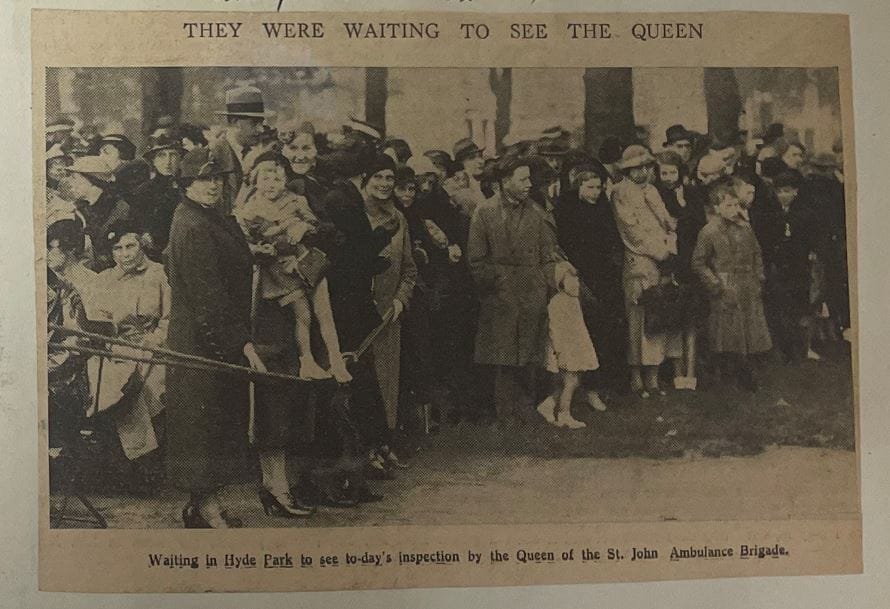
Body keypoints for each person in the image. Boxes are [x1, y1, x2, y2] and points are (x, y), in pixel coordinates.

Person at [164, 147, 267, 528]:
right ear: (185, 185)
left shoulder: (212, 218)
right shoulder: (191, 225)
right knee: (201, 425)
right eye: (201, 180)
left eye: (216, 179)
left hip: (215, 336)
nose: (211, 186)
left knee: (218, 421)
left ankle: (204, 504)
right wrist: (241, 343)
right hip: (200, 341)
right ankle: (203, 507)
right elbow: (208, 294)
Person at [235, 151, 351, 382]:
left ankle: (336, 359)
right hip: (280, 269)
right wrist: (264, 245)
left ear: (285, 181)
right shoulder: (247, 210)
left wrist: (303, 227)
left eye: (277, 180)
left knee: (324, 312)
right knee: (303, 315)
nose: (271, 185)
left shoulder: (296, 200)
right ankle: (306, 360)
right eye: (265, 179)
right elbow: (245, 240)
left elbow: (314, 223)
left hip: (306, 259)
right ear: (255, 181)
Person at [467, 156, 560, 421]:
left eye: (529, 179)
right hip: (500, 295)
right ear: (505, 182)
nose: (529, 184)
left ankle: (526, 409)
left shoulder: (537, 213)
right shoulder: (484, 212)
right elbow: (476, 260)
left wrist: (544, 286)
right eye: (523, 179)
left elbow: (547, 254)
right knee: (503, 355)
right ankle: (504, 412)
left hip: (532, 290)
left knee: (530, 353)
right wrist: (497, 284)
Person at [91, 222, 170, 487]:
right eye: (117, 248)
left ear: (142, 245)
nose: (124, 254)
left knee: (142, 387)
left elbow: (170, 319)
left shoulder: (160, 274)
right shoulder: (104, 280)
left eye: (130, 246)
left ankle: (143, 461)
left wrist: (155, 340)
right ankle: (133, 461)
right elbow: (97, 321)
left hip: (154, 348)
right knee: (109, 383)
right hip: (114, 349)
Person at [611, 145, 681, 398]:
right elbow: (631, 231)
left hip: (661, 259)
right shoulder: (620, 192)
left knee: (658, 313)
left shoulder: (652, 190)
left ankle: (653, 374)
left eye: (646, 166)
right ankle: (636, 374)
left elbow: (667, 221)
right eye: (637, 168)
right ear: (627, 170)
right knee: (638, 315)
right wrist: (659, 252)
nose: (643, 171)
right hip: (638, 260)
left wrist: (670, 246)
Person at [361, 155, 417, 464]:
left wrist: (400, 300)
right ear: (365, 180)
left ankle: (384, 445)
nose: (384, 184)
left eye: (389, 179)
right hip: (359, 314)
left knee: (386, 382)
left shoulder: (399, 218)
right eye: (378, 177)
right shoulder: (355, 214)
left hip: (388, 314)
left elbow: (409, 269)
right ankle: (365, 450)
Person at [553, 161, 625, 399]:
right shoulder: (566, 207)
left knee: (608, 327)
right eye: (590, 188)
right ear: (579, 186)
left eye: (599, 188)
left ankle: (603, 384)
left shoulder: (603, 206)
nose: (595, 193)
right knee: (586, 329)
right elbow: (565, 243)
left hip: (605, 274)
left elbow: (612, 238)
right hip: (580, 274)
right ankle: (585, 388)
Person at [691, 181, 772, 391]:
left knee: (750, 329)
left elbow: (757, 253)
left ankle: (749, 372)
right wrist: (715, 284)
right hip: (725, 284)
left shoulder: (745, 228)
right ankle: (725, 373)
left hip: (747, 283)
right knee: (726, 332)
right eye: (727, 205)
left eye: (736, 205)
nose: (733, 210)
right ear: (716, 208)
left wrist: (759, 277)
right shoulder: (708, 232)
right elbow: (699, 263)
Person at [763, 171, 827, 363]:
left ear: (796, 192)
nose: (783, 195)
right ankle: (785, 349)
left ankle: (803, 348)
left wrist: (813, 252)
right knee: (782, 308)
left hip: (800, 267)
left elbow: (816, 239)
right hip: (779, 267)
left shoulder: (806, 214)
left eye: (787, 191)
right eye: (779, 191)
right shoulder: (772, 214)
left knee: (801, 307)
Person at [656, 150, 707, 390]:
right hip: (672, 261)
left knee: (692, 319)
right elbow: (668, 224)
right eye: (663, 172)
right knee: (675, 318)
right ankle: (677, 374)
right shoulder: (657, 195)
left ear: (680, 172)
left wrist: (682, 218)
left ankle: (691, 373)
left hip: (691, 258)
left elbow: (699, 223)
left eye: (671, 172)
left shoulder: (692, 194)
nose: (667, 177)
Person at [537, 264, 600, 429]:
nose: (576, 283)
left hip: (576, 346)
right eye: (570, 279)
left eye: (577, 279)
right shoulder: (558, 303)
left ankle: (548, 404)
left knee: (572, 381)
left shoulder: (573, 302)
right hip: (565, 348)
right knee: (570, 381)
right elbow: (555, 329)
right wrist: (559, 351)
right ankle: (564, 414)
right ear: (561, 283)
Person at [63, 156, 131, 272]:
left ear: (93, 181)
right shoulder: (80, 211)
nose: (71, 184)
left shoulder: (120, 210)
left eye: (75, 178)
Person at [211, 85, 272, 214]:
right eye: (254, 123)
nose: (260, 130)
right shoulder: (213, 154)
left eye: (261, 123)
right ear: (234, 122)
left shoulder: (261, 153)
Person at [130, 133, 184, 259]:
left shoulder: (188, 189)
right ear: (153, 161)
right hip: (155, 255)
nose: (168, 162)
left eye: (173, 155)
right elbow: (134, 225)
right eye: (161, 156)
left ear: (180, 159)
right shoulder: (143, 192)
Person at [444, 137, 488, 219]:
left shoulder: (483, 182)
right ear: (460, 164)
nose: (481, 161)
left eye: (480, 156)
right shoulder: (456, 188)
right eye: (472, 158)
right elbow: (485, 215)